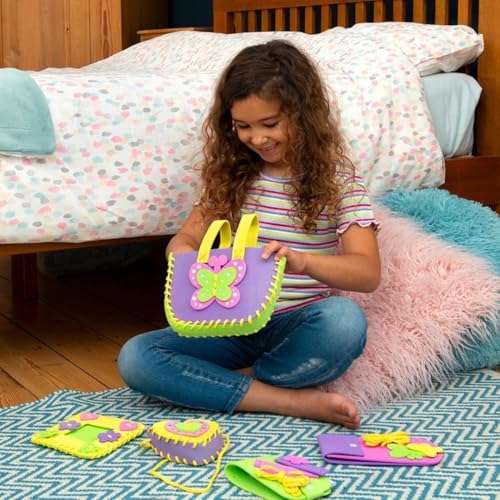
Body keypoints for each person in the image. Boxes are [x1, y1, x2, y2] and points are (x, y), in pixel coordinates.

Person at [118, 40, 380, 429]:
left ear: (303, 113)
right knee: (136, 357)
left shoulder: (338, 181)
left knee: (344, 322)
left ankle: (228, 385)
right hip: (228, 326)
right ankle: (288, 399)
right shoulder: (232, 176)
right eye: (243, 127)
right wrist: (184, 257)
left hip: (297, 326)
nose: (257, 138)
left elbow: (367, 273)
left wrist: (304, 261)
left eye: (270, 124)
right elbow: (184, 240)